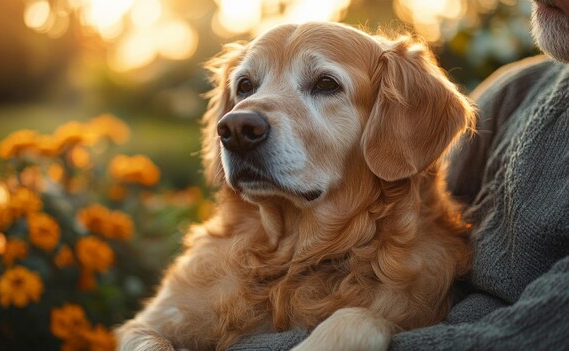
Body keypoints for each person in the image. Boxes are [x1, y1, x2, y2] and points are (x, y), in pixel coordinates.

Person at [229, 0, 569, 349]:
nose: (241, 120)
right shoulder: (515, 91)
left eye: (326, 84)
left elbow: (525, 338)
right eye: (245, 87)